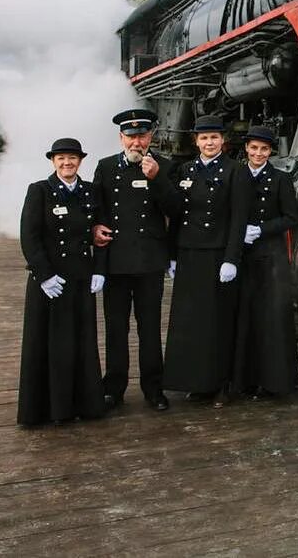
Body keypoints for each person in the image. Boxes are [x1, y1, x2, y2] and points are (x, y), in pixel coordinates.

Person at [91, 108, 178, 411]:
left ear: (151, 136)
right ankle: (113, 387)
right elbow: (97, 211)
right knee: (116, 328)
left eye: (141, 135)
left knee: (150, 328)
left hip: (149, 261)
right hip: (116, 262)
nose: (136, 142)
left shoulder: (164, 166)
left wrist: (155, 179)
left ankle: (154, 388)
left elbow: (176, 210)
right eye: (130, 136)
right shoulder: (104, 168)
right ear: (121, 137)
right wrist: (93, 228)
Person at [17, 137, 105, 426]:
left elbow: (102, 234)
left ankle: (85, 404)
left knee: (80, 343)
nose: (67, 163)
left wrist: (99, 270)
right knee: (48, 345)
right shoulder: (40, 191)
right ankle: (48, 410)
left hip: (80, 279)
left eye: (72, 158)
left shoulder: (90, 192)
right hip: (50, 282)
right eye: (61, 158)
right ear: (53, 162)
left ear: (81, 161)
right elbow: (30, 236)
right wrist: (43, 274)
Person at [162, 114, 247, 406]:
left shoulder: (236, 171)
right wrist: (171, 255)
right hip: (188, 254)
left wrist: (232, 258)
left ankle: (221, 383)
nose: (209, 142)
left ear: (223, 140)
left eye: (214, 137)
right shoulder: (185, 170)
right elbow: (176, 216)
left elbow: (239, 219)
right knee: (190, 322)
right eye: (203, 138)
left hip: (217, 256)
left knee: (218, 321)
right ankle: (195, 382)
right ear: (195, 141)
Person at [232, 124, 298, 398]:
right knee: (244, 316)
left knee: (271, 318)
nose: (258, 153)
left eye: (264, 149)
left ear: (270, 151)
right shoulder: (236, 175)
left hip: (270, 256)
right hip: (243, 254)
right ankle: (244, 378)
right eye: (254, 148)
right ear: (246, 149)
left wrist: (261, 229)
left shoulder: (281, 179)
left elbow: (292, 218)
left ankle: (273, 380)